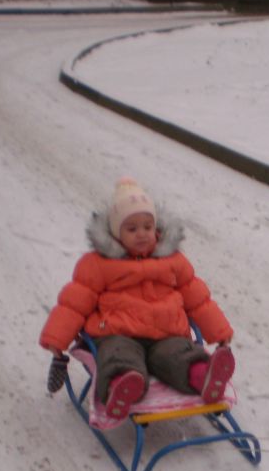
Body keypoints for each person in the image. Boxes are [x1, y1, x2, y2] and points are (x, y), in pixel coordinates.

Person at [40, 177, 235, 421]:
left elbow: (198, 298)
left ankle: (204, 377)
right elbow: (74, 303)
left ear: (157, 228)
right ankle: (121, 387)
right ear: (115, 233)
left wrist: (219, 332)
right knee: (119, 355)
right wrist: (57, 338)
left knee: (178, 355)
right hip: (117, 332)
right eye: (131, 229)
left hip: (167, 334)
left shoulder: (172, 261)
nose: (141, 234)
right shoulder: (98, 264)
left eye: (147, 226)